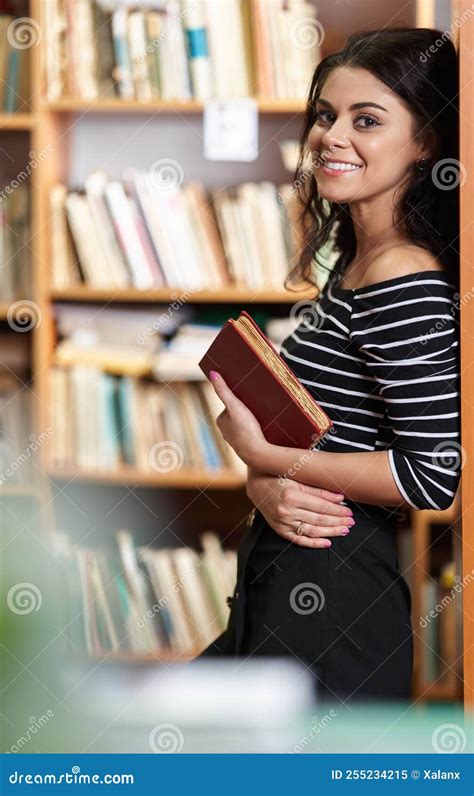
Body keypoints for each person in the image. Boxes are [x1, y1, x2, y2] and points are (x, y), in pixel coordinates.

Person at [196, 27, 461, 703]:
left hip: (336, 602)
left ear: (426, 141)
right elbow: (329, 436)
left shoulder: (402, 277)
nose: (332, 137)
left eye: (366, 120)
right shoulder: (355, 263)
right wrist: (262, 480)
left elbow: (433, 477)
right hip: (286, 574)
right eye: (325, 115)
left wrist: (268, 456)